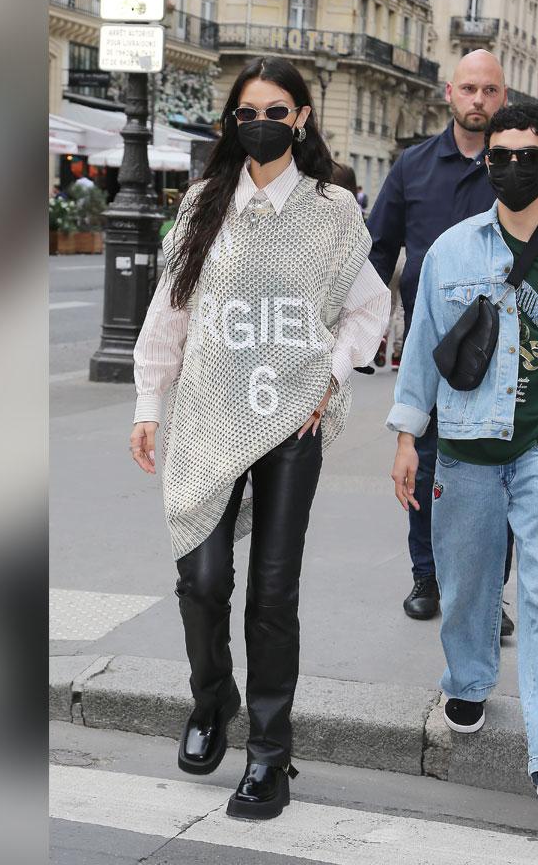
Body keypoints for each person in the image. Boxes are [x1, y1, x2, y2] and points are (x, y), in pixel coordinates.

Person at [129, 56, 389, 821]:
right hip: (210, 414)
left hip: (290, 424)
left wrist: (331, 379)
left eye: (277, 110)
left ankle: (269, 755)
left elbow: (369, 308)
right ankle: (212, 700)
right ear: (231, 122)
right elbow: (170, 310)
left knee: (274, 593)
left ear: (302, 117)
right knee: (203, 581)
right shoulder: (206, 203)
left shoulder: (334, 208)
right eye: (248, 111)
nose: (262, 123)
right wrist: (149, 402)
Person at [387, 104, 538, 826]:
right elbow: (422, 350)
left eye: (524, 155)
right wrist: (407, 435)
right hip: (465, 449)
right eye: (497, 156)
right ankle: (468, 678)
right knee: (467, 584)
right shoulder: (453, 248)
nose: (508, 167)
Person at [365, 49, 520, 629]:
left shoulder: (516, 164)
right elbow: (379, 248)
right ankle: (426, 575)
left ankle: (487, 595)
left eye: (490, 91)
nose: (479, 100)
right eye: (469, 89)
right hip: (430, 347)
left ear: (503, 98)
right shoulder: (413, 165)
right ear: (449, 93)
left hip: (501, 346)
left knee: (497, 467)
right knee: (423, 465)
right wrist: (362, 328)